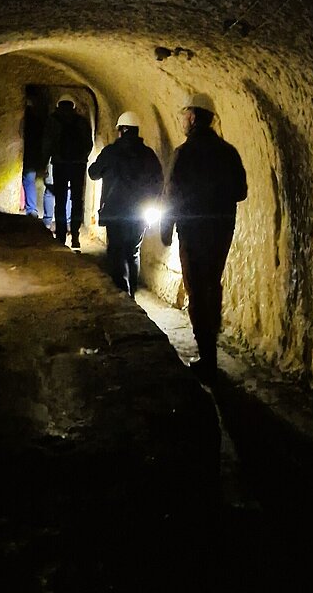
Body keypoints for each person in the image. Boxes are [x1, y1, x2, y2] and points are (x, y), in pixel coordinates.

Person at [161, 92, 247, 384]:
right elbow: (240, 191)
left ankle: (207, 359)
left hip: (193, 231)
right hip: (221, 230)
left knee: (196, 290)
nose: (183, 121)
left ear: (194, 117)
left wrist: (166, 229)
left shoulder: (183, 153)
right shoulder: (228, 152)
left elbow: (171, 194)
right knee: (212, 284)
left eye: (185, 116)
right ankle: (211, 347)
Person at [88, 112, 164, 297]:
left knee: (116, 252)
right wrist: (150, 202)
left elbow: (93, 173)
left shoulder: (111, 152)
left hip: (115, 211)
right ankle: (132, 293)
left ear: (121, 130)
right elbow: (159, 182)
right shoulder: (148, 155)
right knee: (133, 252)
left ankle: (120, 292)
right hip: (139, 213)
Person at [43, 96, 93, 250]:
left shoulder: (53, 120)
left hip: (60, 164)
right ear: (73, 106)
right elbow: (88, 144)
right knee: (77, 200)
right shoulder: (81, 121)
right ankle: (76, 236)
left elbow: (47, 143)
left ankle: (61, 236)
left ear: (58, 105)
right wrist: (82, 157)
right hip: (78, 165)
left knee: (61, 200)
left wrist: (46, 160)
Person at [19, 92, 47, 218]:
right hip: (32, 156)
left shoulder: (22, 120)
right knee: (29, 181)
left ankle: (25, 206)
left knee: (26, 180)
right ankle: (31, 209)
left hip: (24, 155)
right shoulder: (37, 121)